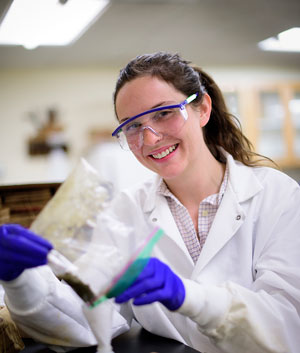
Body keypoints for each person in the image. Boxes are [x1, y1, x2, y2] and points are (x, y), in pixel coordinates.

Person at [1, 52, 300, 353]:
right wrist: (20, 281)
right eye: (132, 126)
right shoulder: (125, 211)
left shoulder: (278, 196)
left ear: (203, 109)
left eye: (164, 113)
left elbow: (289, 326)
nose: (150, 138)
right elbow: (87, 320)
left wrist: (190, 297)